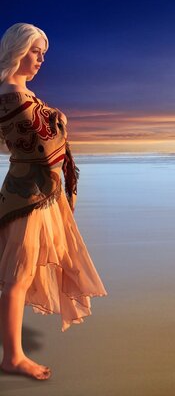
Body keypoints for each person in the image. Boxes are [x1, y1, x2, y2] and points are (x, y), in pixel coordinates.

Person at [0, 23, 107, 380]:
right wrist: (59, 120)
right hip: (28, 193)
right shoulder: (13, 96)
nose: (41, 58)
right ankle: (13, 356)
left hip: (35, 191)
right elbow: (44, 145)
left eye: (43, 52)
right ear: (17, 50)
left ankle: (13, 352)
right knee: (18, 274)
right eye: (35, 50)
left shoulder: (23, 95)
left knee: (22, 271)